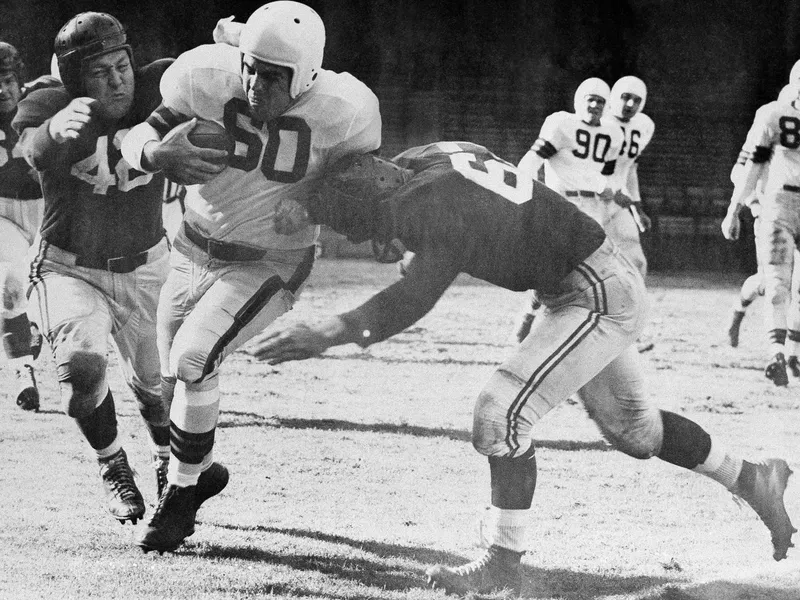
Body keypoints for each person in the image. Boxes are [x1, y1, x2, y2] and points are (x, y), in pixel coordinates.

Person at [247, 142, 795, 596]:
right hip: (591, 279)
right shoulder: (428, 156)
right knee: (635, 431)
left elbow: (414, 297)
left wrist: (329, 331)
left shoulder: (424, 205)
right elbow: (474, 191)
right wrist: (411, 234)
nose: (375, 246)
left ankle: (502, 562)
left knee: (499, 413)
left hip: (594, 293)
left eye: (371, 232)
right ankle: (752, 477)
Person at [119, 0, 381, 553]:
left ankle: (181, 500)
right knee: (168, 380)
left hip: (269, 260)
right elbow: (137, 132)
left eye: (273, 76)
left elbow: (363, 181)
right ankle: (204, 470)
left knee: (193, 358)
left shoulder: (345, 107)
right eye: (252, 69)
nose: (257, 86)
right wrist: (153, 153)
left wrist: (314, 200)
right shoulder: (205, 73)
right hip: (190, 247)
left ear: (306, 76)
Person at [12, 12, 181, 526]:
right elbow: (30, 146)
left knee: (161, 389)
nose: (117, 80)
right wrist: (51, 133)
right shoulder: (49, 103)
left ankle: (161, 460)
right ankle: (112, 465)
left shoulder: (162, 85)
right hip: (69, 267)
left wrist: (233, 50)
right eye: (99, 72)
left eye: (122, 65)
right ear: (73, 79)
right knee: (82, 371)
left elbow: (214, 81)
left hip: (149, 265)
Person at [513, 77, 625, 343]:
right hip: (562, 202)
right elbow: (533, 159)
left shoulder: (612, 133)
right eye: (591, 100)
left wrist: (612, 191)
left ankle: (586, 327)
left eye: (601, 102)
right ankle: (530, 313)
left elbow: (605, 175)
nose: (595, 106)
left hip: (593, 206)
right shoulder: (563, 124)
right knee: (555, 266)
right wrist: (519, 189)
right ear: (579, 101)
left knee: (596, 267)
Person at [722, 81, 800, 385]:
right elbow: (743, 169)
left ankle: (793, 353)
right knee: (773, 283)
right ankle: (772, 347)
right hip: (772, 204)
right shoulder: (772, 118)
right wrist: (744, 205)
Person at [0, 42, 60, 411]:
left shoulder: (45, 97)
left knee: (40, 290)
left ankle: (31, 329)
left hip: (48, 208)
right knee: (8, 283)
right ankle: (22, 369)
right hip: (2, 212)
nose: (0, 90)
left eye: (6, 80)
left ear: (19, 79)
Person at [604, 75, 654, 277]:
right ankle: (534, 304)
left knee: (636, 261)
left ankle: (636, 308)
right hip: (589, 199)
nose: (631, 104)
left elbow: (630, 169)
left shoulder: (643, 125)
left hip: (618, 201)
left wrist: (638, 210)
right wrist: (612, 192)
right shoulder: (600, 120)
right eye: (625, 97)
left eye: (637, 99)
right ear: (615, 96)